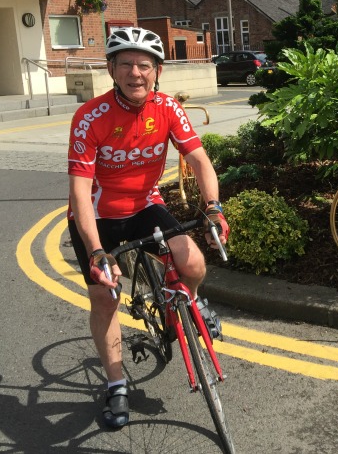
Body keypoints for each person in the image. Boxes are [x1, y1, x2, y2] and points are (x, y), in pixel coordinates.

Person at [66, 27, 229, 430]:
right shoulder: (90, 117)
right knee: (105, 298)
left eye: (144, 65)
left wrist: (213, 208)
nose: (135, 73)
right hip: (97, 216)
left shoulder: (169, 108)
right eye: (125, 64)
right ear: (111, 69)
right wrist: (96, 251)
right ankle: (117, 384)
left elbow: (200, 162)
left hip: (144, 205)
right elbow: (80, 191)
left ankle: (186, 308)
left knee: (192, 264)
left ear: (157, 71)